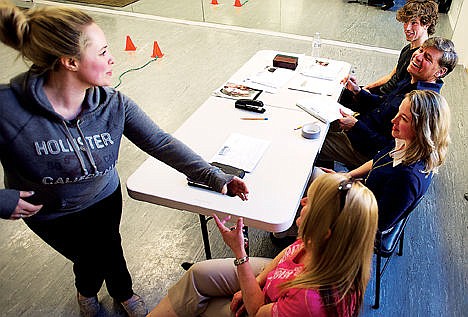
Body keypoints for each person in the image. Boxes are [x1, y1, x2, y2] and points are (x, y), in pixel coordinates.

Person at [0, 2, 249, 317]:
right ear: (69, 61)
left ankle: (122, 291)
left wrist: (216, 176)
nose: (112, 58)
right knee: (90, 259)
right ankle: (87, 291)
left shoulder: (113, 104)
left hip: (103, 197)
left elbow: (160, 142)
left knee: (109, 247)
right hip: (49, 214)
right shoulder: (9, 109)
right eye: (103, 52)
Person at [148, 173, 379, 317]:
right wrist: (256, 280)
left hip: (266, 305)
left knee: (203, 306)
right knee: (199, 274)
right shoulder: (325, 243)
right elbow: (289, 253)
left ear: (325, 231)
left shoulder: (308, 299)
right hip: (273, 284)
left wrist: (240, 254)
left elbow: (257, 311)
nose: (302, 201)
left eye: (311, 202)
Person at [317, 36, 457, 169]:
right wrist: (358, 91)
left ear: (440, 72)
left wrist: (356, 126)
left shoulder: (421, 104)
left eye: (427, 58)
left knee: (313, 143)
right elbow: (383, 104)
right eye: (421, 50)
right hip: (360, 129)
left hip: (365, 150)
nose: (418, 56)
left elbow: (391, 147)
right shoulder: (414, 78)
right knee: (317, 121)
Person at [323, 90, 450, 231]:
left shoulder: (406, 178)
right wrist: (347, 176)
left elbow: (379, 223)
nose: (393, 120)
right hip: (363, 194)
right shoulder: (406, 141)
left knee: (313, 190)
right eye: (398, 113)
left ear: (422, 129)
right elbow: (376, 161)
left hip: (364, 220)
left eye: (404, 119)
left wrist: (340, 192)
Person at [365, 0, 439, 95]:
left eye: (414, 23)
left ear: (427, 24)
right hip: (381, 93)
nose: (407, 28)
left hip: (386, 101)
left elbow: (401, 95)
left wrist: (367, 96)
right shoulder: (408, 47)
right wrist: (368, 87)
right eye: (406, 22)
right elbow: (390, 76)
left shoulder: (419, 59)